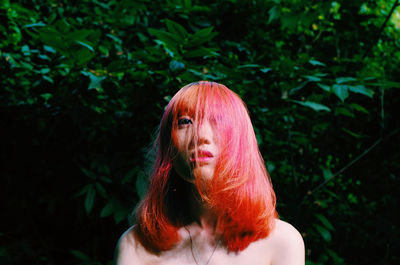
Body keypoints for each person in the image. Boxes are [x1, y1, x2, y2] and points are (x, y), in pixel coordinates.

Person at [116, 81, 305, 265]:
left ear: (240, 140)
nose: (200, 135)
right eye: (185, 122)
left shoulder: (282, 242)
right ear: (168, 145)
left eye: (218, 120)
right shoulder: (135, 245)